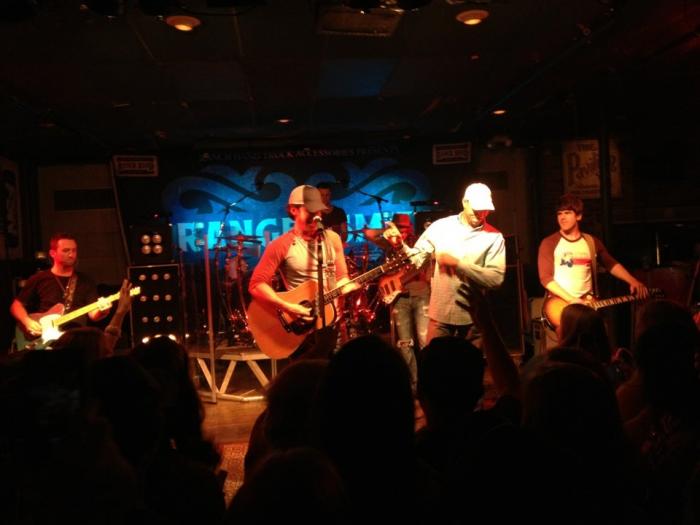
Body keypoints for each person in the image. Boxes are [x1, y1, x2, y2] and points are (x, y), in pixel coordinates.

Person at [384, 182, 506, 345]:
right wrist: (400, 246)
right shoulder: (440, 227)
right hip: (440, 316)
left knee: (470, 363)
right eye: (476, 209)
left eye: (485, 210)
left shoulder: (494, 237)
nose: (481, 214)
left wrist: (458, 264)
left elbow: (496, 279)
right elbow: (417, 260)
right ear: (465, 202)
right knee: (434, 361)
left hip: (473, 319)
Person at [248, 185, 357, 359]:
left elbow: (342, 277)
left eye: (319, 211)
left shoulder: (333, 239)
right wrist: (287, 306)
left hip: (332, 324)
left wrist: (346, 286)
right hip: (301, 328)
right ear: (294, 210)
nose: (317, 216)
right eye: (311, 211)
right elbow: (256, 285)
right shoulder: (281, 245)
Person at [538, 193, 648, 309]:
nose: (562, 217)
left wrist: (632, 281)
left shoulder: (591, 242)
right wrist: (571, 299)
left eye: (567, 213)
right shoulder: (549, 243)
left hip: (588, 304)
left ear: (578, 216)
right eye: (559, 214)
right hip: (560, 306)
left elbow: (611, 264)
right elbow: (545, 278)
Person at [10, 232, 112, 349]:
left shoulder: (86, 281)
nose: (71, 254)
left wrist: (104, 310)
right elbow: (16, 306)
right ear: (52, 253)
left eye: (74, 250)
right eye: (66, 250)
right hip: (45, 339)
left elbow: (93, 315)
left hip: (75, 341)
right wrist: (27, 321)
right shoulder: (39, 278)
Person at [382, 213, 430, 389]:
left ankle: (427, 384)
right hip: (400, 298)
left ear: (410, 228)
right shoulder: (389, 249)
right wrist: (391, 282)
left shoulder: (419, 244)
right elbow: (387, 273)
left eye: (404, 228)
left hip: (421, 295)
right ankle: (414, 385)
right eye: (398, 228)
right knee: (404, 344)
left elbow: (421, 266)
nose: (401, 231)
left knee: (425, 342)